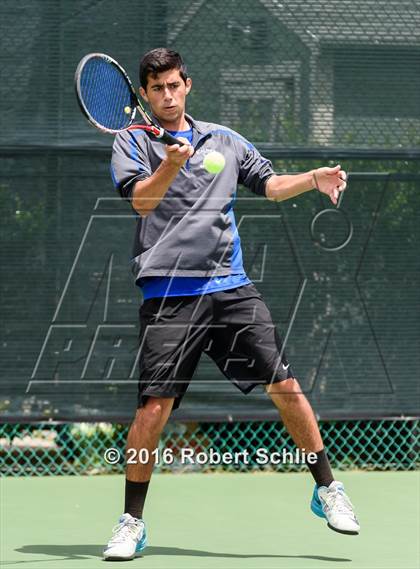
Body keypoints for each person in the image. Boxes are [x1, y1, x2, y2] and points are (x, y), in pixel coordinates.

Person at [103, 48, 359, 561]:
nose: (168, 95)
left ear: (187, 85)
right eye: (157, 88)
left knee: (284, 386)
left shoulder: (225, 140)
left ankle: (328, 489)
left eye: (175, 85)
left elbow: (270, 185)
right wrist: (170, 165)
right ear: (145, 94)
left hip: (230, 289)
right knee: (153, 409)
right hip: (169, 294)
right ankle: (131, 521)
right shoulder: (131, 142)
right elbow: (142, 201)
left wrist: (312, 179)